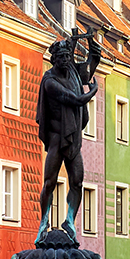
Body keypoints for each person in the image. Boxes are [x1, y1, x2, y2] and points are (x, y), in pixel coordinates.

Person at [35, 29, 101, 237]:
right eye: (62, 58)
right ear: (54, 59)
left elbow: (89, 66)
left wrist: (93, 48)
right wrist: (93, 91)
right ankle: (44, 221)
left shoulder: (72, 72)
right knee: (50, 182)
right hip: (56, 138)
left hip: (73, 139)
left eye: (67, 57)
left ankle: (70, 220)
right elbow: (76, 99)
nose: (65, 61)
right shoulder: (50, 82)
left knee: (77, 181)